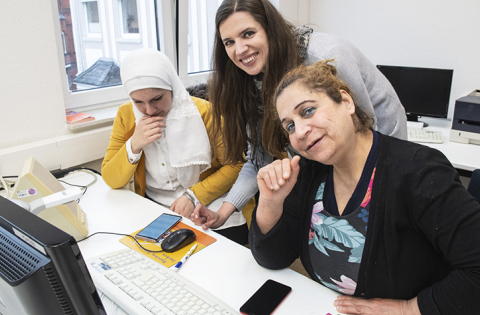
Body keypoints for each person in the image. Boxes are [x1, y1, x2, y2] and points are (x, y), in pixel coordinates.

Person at [249, 60, 480, 314]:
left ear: (346, 102)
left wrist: (408, 309)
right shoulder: (309, 172)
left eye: (307, 111)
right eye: (290, 126)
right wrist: (271, 202)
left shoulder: (418, 171)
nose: (300, 131)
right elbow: (272, 258)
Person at [191, 0, 407, 231]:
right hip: (331, 159)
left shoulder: (326, 55)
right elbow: (258, 158)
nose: (240, 49)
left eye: (248, 33)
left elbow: (365, 131)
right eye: (229, 42)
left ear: (270, 28)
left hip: (383, 144)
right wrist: (223, 212)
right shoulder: (253, 81)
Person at [101, 49, 254, 245]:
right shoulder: (126, 115)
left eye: (157, 99)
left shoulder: (204, 112)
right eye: (138, 102)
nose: (149, 110)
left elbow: (235, 166)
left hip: (209, 199)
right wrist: (134, 144)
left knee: (216, 252)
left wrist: (193, 196)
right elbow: (111, 178)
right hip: (156, 205)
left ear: (172, 87)